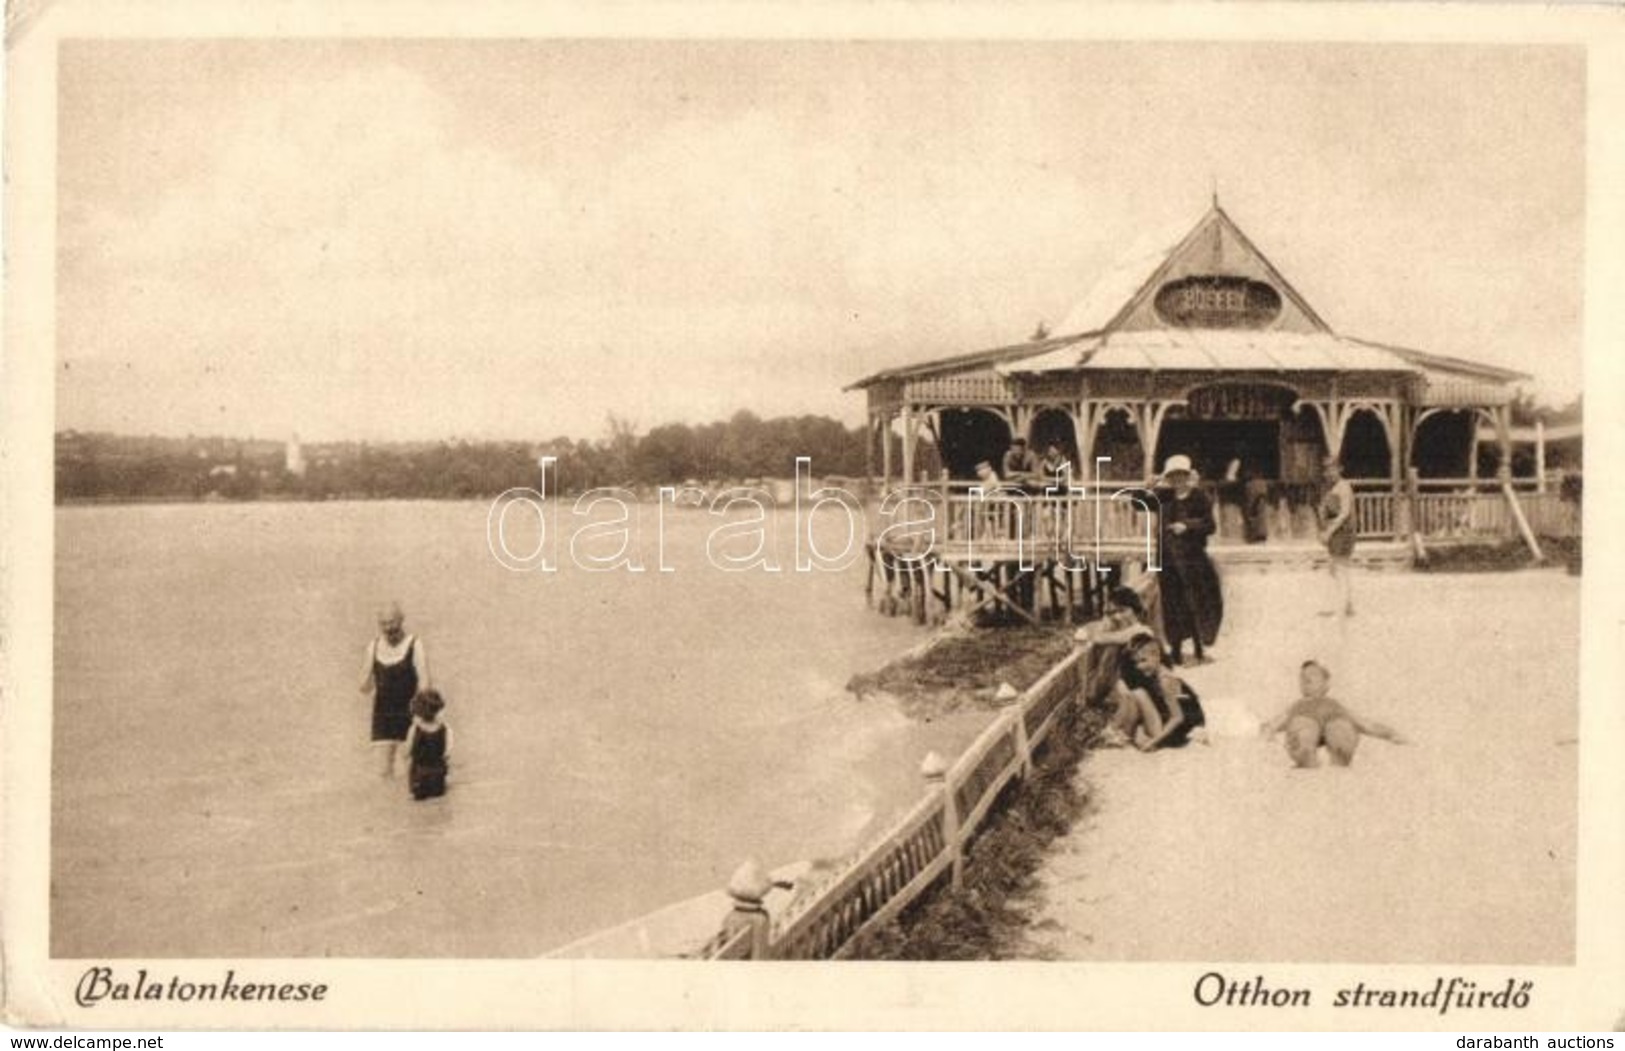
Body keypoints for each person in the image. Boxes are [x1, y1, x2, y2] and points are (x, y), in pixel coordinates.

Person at [1259, 660, 1407, 768]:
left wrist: (1391, 734)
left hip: (1334, 720)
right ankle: (1306, 759)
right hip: (1304, 721)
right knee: (1302, 729)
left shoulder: (1335, 705)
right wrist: (1268, 733)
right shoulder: (1297, 706)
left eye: (1313, 674)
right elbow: (1275, 722)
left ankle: (1339, 760)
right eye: (1302, 676)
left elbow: (1366, 724)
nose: (1306, 678)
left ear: (1326, 683)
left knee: (1340, 731)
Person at [1153, 454, 1223, 665]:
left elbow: (1210, 526)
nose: (1177, 480)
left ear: (1187, 476)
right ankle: (1175, 650)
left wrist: (1188, 527)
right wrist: (1148, 486)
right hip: (1167, 559)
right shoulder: (1163, 497)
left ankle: (1198, 648)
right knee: (1172, 605)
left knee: (1196, 603)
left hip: (1193, 560)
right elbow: (1137, 504)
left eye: (1181, 475)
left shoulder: (1199, 497)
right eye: (1173, 476)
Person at [358, 601, 430, 778]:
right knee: (382, 773)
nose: (389, 628)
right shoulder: (373, 646)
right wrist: (366, 674)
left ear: (401, 620)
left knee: (409, 773)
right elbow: (364, 688)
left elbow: (425, 683)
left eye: (392, 622)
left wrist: (423, 717)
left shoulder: (414, 644)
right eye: (384, 624)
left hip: (410, 716)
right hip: (382, 716)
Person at [1112, 630, 1207, 751]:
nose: (1139, 666)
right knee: (1131, 696)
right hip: (1168, 722)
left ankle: (1122, 735)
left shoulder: (1165, 680)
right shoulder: (1156, 673)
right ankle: (1119, 733)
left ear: (1157, 655)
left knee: (1138, 694)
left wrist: (1153, 741)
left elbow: (1178, 717)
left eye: (1143, 660)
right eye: (1135, 662)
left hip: (1179, 731)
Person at [1317, 457, 1357, 616]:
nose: (1329, 473)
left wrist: (1329, 531)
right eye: (1326, 470)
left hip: (1343, 531)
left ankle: (1341, 609)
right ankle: (1347, 605)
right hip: (1335, 532)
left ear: (1340, 469)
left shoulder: (1344, 487)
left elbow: (1345, 513)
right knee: (1336, 569)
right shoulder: (1329, 488)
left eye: (1332, 469)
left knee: (1340, 569)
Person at [403, 689, 453, 800]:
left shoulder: (414, 730)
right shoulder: (446, 729)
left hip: (419, 779)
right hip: (438, 779)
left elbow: (406, 753)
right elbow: (447, 754)